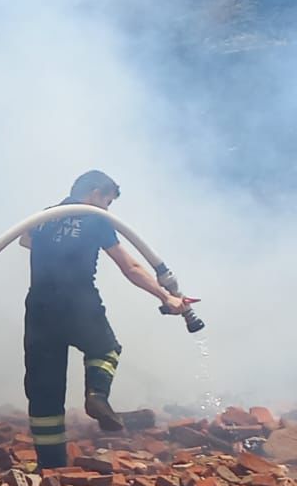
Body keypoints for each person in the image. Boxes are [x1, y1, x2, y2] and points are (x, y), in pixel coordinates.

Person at [20, 170, 190, 468]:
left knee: (44, 389)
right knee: (105, 350)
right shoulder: (94, 219)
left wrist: (56, 247)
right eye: (108, 201)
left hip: (39, 308)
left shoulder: (46, 215)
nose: (108, 209)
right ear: (96, 193)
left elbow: (24, 240)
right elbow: (131, 266)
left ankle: (51, 466)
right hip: (78, 301)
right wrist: (166, 296)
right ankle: (97, 395)